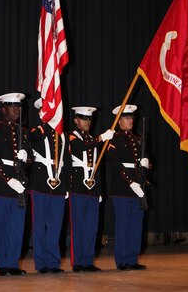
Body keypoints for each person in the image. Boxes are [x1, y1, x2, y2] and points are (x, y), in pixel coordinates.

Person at [0, 92, 33, 276]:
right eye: (13, 107)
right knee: (3, 225)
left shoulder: (24, 131)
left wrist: (26, 157)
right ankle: (3, 264)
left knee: (17, 226)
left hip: (20, 184)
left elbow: (30, 161)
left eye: (19, 107)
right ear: (3, 109)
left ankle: (13, 263)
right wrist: (8, 179)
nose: (17, 110)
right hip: (2, 185)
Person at [68, 106, 115, 272]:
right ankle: (78, 262)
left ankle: (88, 261)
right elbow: (80, 147)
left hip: (93, 189)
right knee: (79, 227)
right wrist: (102, 137)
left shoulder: (94, 140)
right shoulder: (72, 137)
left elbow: (97, 166)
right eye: (83, 118)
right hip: (78, 188)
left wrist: (100, 190)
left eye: (89, 119)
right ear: (76, 120)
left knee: (91, 228)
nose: (87, 122)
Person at [28, 97, 71, 274]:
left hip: (58, 184)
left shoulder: (62, 135)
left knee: (55, 225)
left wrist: (67, 186)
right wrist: (48, 124)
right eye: (47, 111)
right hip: (40, 183)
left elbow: (67, 162)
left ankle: (53, 262)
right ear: (41, 113)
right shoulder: (37, 130)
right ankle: (40, 263)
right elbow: (32, 137)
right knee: (39, 225)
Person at [106, 104, 151, 271]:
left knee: (136, 225)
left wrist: (146, 163)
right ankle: (122, 260)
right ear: (119, 121)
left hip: (139, 187)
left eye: (132, 117)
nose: (131, 120)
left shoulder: (138, 139)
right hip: (122, 189)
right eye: (127, 118)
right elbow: (115, 164)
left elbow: (145, 159)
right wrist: (130, 182)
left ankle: (133, 258)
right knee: (123, 225)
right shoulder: (114, 139)